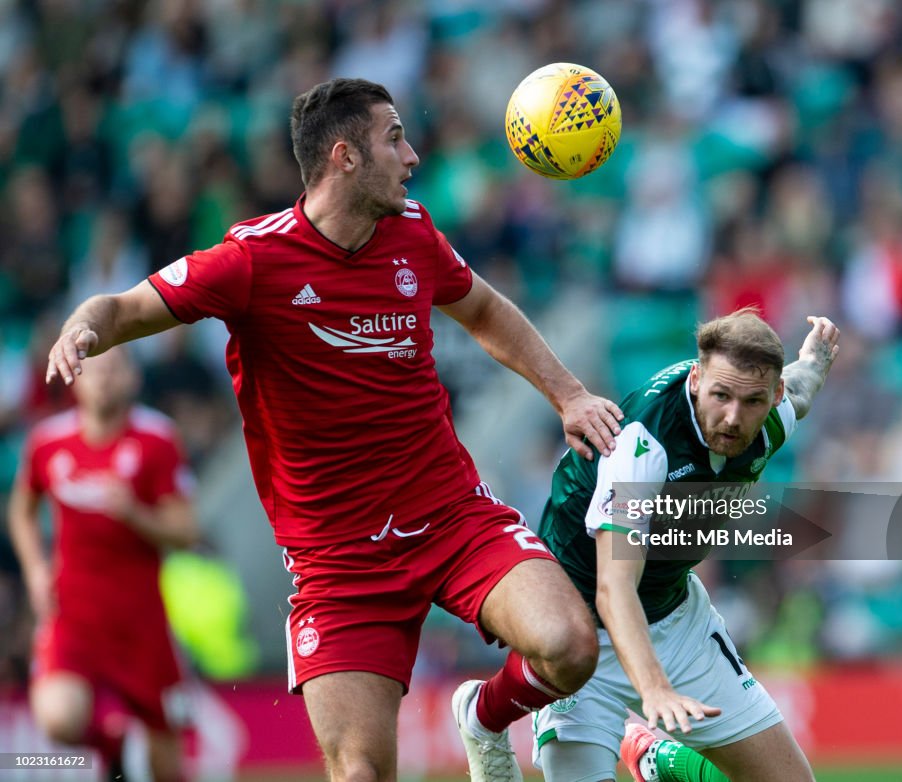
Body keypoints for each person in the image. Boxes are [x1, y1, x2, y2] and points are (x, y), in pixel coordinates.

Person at [45, 77, 625, 782]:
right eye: (395, 138)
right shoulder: (250, 261)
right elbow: (125, 308)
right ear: (345, 156)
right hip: (337, 563)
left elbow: (485, 312)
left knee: (569, 644)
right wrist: (82, 328)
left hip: (450, 518)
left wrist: (567, 395)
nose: (412, 158)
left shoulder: (413, 234)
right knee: (359, 772)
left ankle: (485, 716)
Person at [533, 309, 839, 782]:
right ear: (695, 380)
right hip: (576, 634)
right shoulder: (642, 447)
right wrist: (653, 688)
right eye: (721, 395)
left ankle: (655, 757)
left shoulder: (775, 416)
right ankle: (639, 742)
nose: (734, 418)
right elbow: (614, 589)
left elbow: (802, 385)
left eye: (753, 400)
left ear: (773, 396)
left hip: (677, 622)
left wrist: (815, 357)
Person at [9, 347, 199, 782]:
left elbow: (186, 530)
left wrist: (135, 513)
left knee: (167, 766)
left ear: (133, 378)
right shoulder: (47, 441)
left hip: (142, 623)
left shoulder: (157, 439)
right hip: (73, 614)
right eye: (95, 371)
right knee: (58, 718)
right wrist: (36, 568)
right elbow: (21, 509)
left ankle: (128, 749)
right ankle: (112, 748)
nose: (105, 380)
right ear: (76, 379)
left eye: (116, 370)